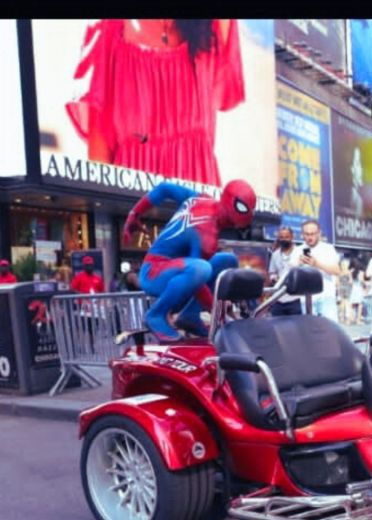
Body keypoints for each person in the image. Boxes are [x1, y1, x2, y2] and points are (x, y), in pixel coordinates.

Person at [68, 19, 244, 186]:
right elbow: (99, 154)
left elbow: (227, 89)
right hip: (134, 198)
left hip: (198, 200)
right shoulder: (109, 27)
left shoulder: (210, 25)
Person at [123, 179, 256, 341]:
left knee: (228, 260)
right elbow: (198, 281)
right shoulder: (207, 237)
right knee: (202, 268)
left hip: (169, 268)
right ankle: (156, 315)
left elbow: (164, 188)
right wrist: (217, 313)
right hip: (154, 274)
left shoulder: (201, 198)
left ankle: (190, 316)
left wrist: (135, 213)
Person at [291, 220, 342, 322]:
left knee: (330, 331)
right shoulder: (297, 250)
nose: (310, 237)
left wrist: (317, 264)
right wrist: (298, 263)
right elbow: (290, 273)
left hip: (326, 297)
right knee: (309, 333)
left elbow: (337, 271)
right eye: (307, 234)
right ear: (302, 234)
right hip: (306, 299)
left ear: (319, 233)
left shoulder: (328, 248)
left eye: (313, 234)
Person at [268, 227, 302, 317]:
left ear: (292, 237)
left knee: (297, 328)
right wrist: (273, 278)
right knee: (278, 328)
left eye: (286, 237)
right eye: (281, 237)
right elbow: (272, 272)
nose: (284, 239)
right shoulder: (275, 255)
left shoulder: (300, 252)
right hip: (278, 299)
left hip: (296, 299)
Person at [338, 258, 354, 325]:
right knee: (347, 303)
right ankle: (347, 319)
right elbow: (351, 281)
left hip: (341, 287)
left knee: (342, 303)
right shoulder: (348, 272)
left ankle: (342, 317)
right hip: (347, 288)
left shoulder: (340, 272)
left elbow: (337, 282)